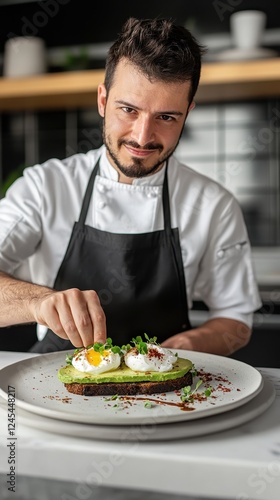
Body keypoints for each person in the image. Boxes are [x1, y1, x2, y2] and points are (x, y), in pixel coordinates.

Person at [0, 17, 261, 355]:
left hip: (166, 397)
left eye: (166, 117)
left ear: (187, 112)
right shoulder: (44, 187)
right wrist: (40, 303)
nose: (142, 137)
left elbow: (236, 319)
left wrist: (187, 348)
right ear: (102, 100)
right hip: (56, 390)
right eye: (128, 109)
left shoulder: (213, 204)